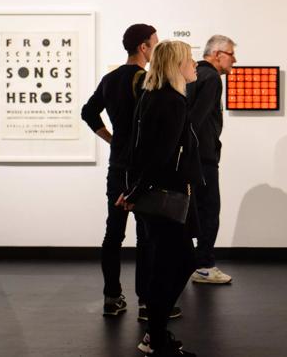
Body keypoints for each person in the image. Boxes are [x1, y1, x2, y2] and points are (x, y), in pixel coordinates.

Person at [117, 40, 201, 357]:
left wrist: (132, 190)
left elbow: (138, 150)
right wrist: (134, 192)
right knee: (179, 263)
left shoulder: (152, 97)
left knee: (165, 264)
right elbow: (159, 156)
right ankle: (155, 337)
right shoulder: (171, 102)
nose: (194, 64)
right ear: (176, 65)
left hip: (152, 196)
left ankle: (155, 334)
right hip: (162, 196)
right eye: (190, 59)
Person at [81, 24, 159, 319]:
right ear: (143, 46)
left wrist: (113, 140)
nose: (155, 47)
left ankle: (112, 297)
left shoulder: (110, 79)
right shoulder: (146, 80)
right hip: (141, 168)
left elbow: (88, 112)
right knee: (146, 235)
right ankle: (146, 301)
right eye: (155, 43)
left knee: (113, 234)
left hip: (118, 166)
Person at [187, 35, 236, 284]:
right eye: (231, 54)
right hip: (202, 158)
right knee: (209, 211)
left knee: (190, 212)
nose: (234, 60)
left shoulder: (194, 74)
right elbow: (195, 120)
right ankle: (204, 265)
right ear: (217, 54)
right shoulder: (212, 78)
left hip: (192, 157)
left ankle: (187, 264)